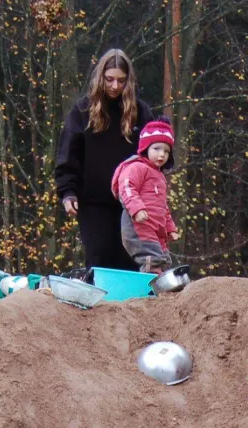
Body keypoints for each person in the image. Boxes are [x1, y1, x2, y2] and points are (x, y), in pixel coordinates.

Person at [55, 49, 154, 271]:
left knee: (130, 265)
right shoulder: (82, 111)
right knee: (98, 264)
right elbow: (68, 154)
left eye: (121, 80)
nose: (115, 86)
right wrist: (67, 191)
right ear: (101, 77)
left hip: (131, 204)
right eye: (109, 79)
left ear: (128, 81)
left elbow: (155, 156)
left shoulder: (141, 112)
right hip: (93, 203)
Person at [111, 119, 179, 273]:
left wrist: (170, 228)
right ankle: (150, 291)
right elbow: (127, 187)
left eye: (166, 151)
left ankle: (164, 292)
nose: (162, 154)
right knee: (152, 258)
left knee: (165, 260)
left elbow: (162, 207)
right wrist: (136, 209)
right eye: (156, 148)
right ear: (145, 148)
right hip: (139, 224)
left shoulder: (160, 176)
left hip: (157, 228)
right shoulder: (137, 167)